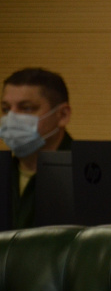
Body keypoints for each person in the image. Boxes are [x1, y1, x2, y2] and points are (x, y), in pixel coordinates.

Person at [0, 68, 72, 229]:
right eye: (6, 109)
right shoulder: (4, 170)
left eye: (26, 108)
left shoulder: (87, 174)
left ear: (62, 115)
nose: (11, 118)